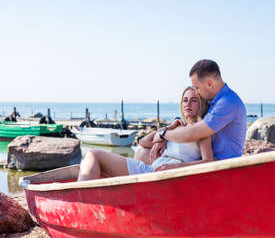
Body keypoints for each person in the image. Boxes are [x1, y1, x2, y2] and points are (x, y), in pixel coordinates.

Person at [77, 87, 213, 181]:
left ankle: (78, 199)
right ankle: (80, 195)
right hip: (150, 169)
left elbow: (208, 161)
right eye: (185, 100)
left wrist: (175, 167)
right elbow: (144, 142)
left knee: (95, 156)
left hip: (168, 173)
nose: (187, 104)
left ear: (201, 104)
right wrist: (170, 128)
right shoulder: (176, 127)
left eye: (193, 100)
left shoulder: (201, 129)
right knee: (93, 156)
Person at [146, 59, 247, 162]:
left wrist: (163, 135)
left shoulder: (227, 103)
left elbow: (193, 133)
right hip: (206, 159)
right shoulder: (213, 101)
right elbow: (192, 119)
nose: (197, 93)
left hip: (221, 165)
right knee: (146, 152)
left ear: (209, 84)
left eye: (197, 88)